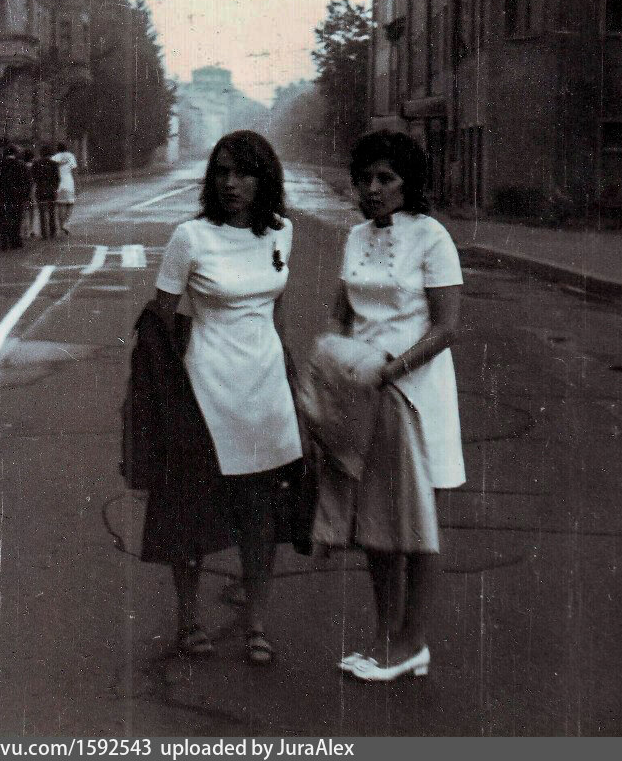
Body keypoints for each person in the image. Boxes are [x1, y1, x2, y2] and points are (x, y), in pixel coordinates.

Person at [309, 129, 465, 682]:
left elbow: (446, 327)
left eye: (386, 178)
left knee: (417, 525)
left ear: (408, 183)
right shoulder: (355, 237)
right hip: (363, 395)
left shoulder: (433, 237)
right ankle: (383, 640)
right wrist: (335, 366)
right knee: (377, 523)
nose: (372, 188)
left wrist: (389, 371)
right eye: (365, 178)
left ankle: (412, 642)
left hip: (414, 392)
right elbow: (342, 314)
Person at [144, 130, 303, 666]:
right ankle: (189, 620)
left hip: (266, 394)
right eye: (222, 172)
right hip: (205, 393)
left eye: (243, 172)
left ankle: (256, 623)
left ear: (265, 179)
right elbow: (161, 320)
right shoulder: (190, 238)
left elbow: (275, 312)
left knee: (261, 516)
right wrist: (166, 396)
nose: (230, 183)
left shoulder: (281, 232)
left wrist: (289, 377)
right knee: (191, 511)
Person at [0, 145, 30, 250]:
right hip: (17, 196)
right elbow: (27, 182)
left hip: (2, 196)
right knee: (16, 218)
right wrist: (25, 195)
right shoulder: (21, 165)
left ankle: (4, 242)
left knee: (3, 219)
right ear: (15, 153)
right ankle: (15, 241)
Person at [31, 144, 61, 239]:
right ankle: (52, 231)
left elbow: (34, 177)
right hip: (51, 189)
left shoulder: (36, 164)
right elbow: (57, 178)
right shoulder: (54, 164)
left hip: (40, 189)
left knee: (41, 212)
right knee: (51, 211)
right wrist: (55, 188)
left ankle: (44, 233)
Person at [51, 142, 77, 234]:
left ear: (57, 149)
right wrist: (77, 184)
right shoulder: (71, 156)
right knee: (70, 204)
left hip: (59, 184)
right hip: (69, 183)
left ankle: (61, 224)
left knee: (60, 205)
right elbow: (74, 170)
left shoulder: (54, 158)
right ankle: (66, 222)